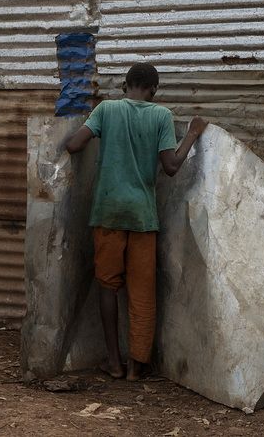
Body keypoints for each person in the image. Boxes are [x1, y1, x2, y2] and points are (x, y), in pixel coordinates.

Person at [65, 62, 208, 381]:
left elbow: (74, 145)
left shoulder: (106, 110)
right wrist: (193, 133)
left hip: (108, 212)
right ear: (154, 90)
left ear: (124, 85)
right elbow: (171, 166)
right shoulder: (161, 116)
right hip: (143, 217)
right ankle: (135, 367)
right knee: (142, 291)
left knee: (108, 287)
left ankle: (113, 363)